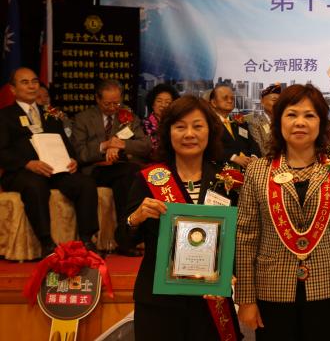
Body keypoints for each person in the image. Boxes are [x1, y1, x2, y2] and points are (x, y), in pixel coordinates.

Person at [235, 84, 330, 341]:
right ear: (278, 121)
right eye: (291, 114)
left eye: (309, 115)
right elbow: (246, 236)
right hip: (271, 290)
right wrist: (246, 298)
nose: (300, 122)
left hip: (329, 289)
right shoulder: (257, 171)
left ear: (321, 122)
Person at [123, 95, 241, 340]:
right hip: (159, 304)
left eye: (197, 126)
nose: (189, 134)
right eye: (180, 127)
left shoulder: (228, 181)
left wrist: (231, 273)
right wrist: (136, 218)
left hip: (211, 300)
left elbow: (240, 237)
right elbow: (123, 239)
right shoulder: (149, 178)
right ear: (168, 133)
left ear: (210, 131)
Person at [0, 67, 99, 255]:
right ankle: (46, 243)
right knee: (35, 186)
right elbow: (2, 152)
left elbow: (67, 145)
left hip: (55, 170)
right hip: (22, 172)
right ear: (12, 89)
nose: (31, 86)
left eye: (34, 82)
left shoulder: (51, 115)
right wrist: (28, 164)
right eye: (25, 82)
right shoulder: (5, 116)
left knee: (85, 183)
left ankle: (87, 239)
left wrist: (72, 160)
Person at [71, 78, 152, 256]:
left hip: (119, 169)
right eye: (108, 103)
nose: (113, 107)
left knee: (126, 180)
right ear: (97, 99)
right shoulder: (83, 119)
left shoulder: (128, 117)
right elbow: (79, 153)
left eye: (117, 103)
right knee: (132, 172)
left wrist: (121, 144)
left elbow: (146, 145)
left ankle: (124, 238)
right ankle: (125, 238)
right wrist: (104, 146)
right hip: (94, 170)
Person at [209, 84, 261, 168]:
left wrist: (254, 157)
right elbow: (210, 148)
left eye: (232, 98)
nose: (230, 101)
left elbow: (253, 144)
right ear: (214, 103)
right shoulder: (209, 123)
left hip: (248, 169)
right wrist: (233, 157)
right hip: (221, 170)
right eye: (225, 98)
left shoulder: (239, 122)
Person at [142, 83, 180, 155]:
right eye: (159, 101)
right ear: (152, 104)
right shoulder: (143, 124)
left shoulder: (176, 123)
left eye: (168, 102)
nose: (163, 105)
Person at [248, 83, 281, 156]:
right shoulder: (255, 123)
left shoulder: (284, 122)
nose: (277, 104)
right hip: (268, 160)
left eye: (279, 101)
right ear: (262, 102)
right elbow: (260, 149)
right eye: (274, 100)